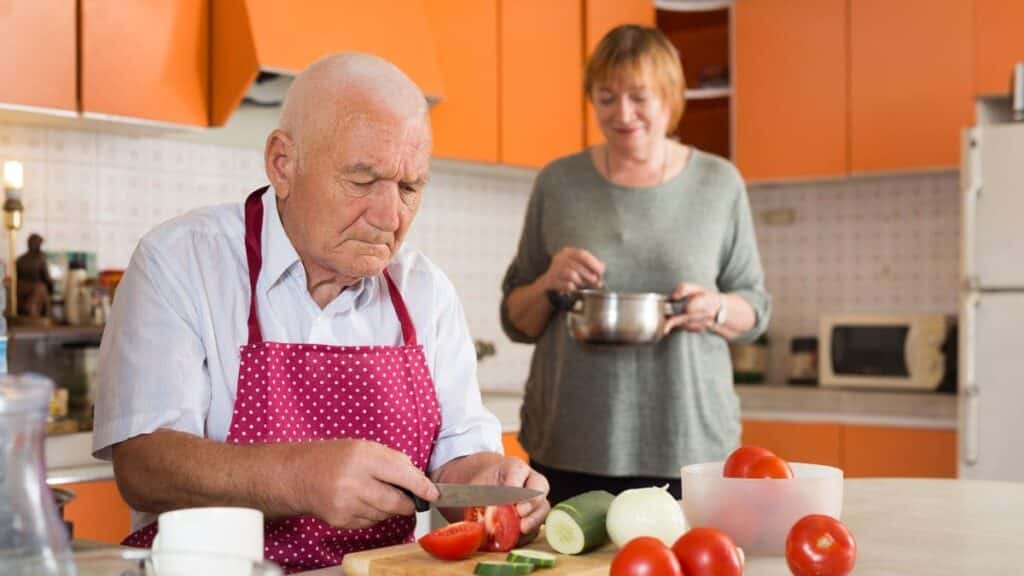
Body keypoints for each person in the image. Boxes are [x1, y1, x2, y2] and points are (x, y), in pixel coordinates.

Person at [93, 53, 549, 573]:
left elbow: (458, 458)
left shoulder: (427, 291)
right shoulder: (181, 262)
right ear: (283, 163)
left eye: (409, 187)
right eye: (361, 180)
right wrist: (298, 475)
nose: (390, 217)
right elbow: (144, 465)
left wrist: (495, 483)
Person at [500, 25, 771, 506]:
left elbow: (754, 309)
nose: (622, 114)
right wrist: (548, 282)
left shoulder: (719, 183)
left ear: (670, 97)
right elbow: (516, 319)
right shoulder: (558, 183)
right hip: (571, 440)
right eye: (606, 98)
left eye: (638, 97)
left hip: (688, 443)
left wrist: (715, 308)